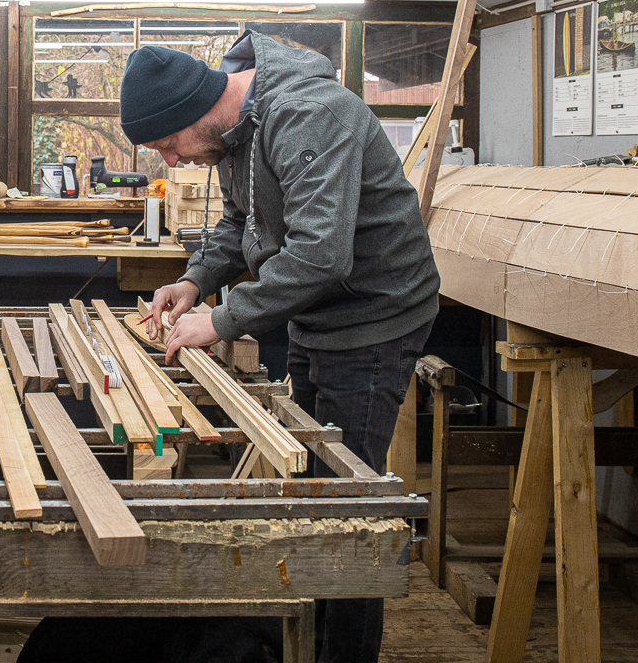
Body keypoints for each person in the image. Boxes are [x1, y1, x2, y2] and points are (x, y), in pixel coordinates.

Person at [132, 34, 438, 663]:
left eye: (168, 144)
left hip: (376, 317)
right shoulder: (236, 133)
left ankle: (341, 652)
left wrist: (223, 321)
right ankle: (306, 637)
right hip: (317, 313)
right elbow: (240, 224)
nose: (172, 160)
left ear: (194, 111)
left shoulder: (308, 115)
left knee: (352, 512)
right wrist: (195, 281)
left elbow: (320, 254)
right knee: (310, 488)